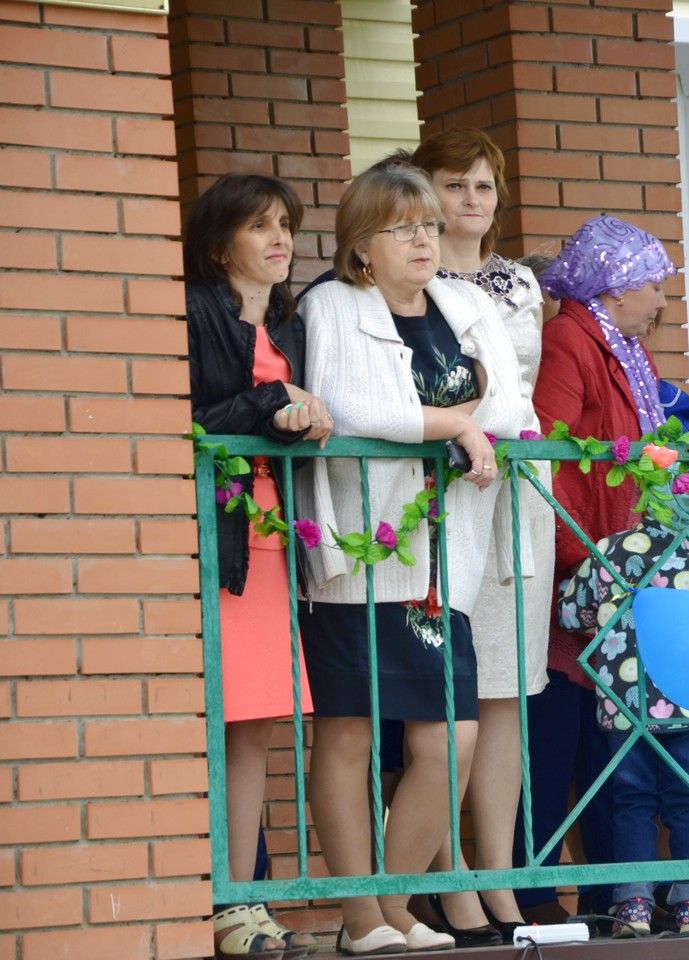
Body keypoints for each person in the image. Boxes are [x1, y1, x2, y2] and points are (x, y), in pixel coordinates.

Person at [294, 162, 536, 954]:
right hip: (363, 554)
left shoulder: (463, 302)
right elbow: (349, 405)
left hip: (445, 559)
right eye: (405, 227)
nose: (425, 238)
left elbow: (509, 403)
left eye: (430, 224)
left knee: (450, 738)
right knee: (349, 734)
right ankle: (362, 919)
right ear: (363, 244)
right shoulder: (330, 304)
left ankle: (392, 903)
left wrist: (464, 421)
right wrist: (454, 426)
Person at [408, 127, 551, 944]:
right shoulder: (403, 279)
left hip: (518, 491)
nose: (468, 200)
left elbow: (523, 390)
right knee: (442, 693)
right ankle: (444, 878)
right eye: (453, 184)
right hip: (441, 492)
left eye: (482, 187)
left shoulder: (519, 283)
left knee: (506, 691)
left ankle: (498, 880)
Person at [185, 173, 330, 960]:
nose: (280, 239)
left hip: (274, 544)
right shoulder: (195, 313)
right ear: (219, 245)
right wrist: (274, 411)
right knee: (223, 725)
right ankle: (217, 900)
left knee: (257, 730)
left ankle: (241, 903)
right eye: (260, 227)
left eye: (286, 225)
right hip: (221, 545)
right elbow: (192, 418)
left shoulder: (289, 327)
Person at [522, 214, 677, 923]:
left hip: (617, 568)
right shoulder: (571, 339)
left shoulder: (623, 347)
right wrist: (574, 556)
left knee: (605, 741)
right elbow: (546, 454)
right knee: (558, 740)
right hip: (579, 572)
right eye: (652, 284)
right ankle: (535, 898)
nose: (661, 300)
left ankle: (609, 898)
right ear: (615, 286)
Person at [556, 482, 689, 937]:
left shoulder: (611, 549)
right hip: (686, 704)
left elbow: (572, 613)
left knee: (631, 801)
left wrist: (609, 619)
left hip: (625, 704)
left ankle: (632, 904)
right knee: (687, 802)